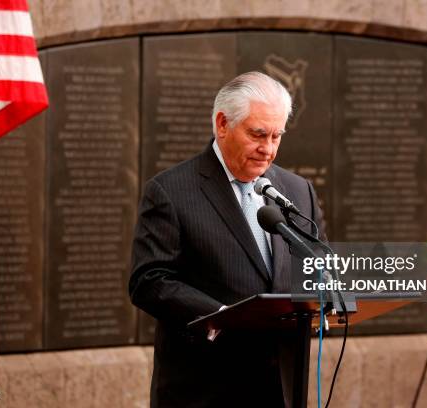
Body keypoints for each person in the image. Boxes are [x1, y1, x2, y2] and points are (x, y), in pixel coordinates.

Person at [129, 71, 324, 407]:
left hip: (282, 390)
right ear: (222, 124)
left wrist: (325, 291)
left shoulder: (297, 191)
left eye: (277, 136)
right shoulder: (171, 191)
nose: (268, 150)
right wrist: (222, 315)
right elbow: (149, 281)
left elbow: (315, 264)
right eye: (258, 134)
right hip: (206, 389)